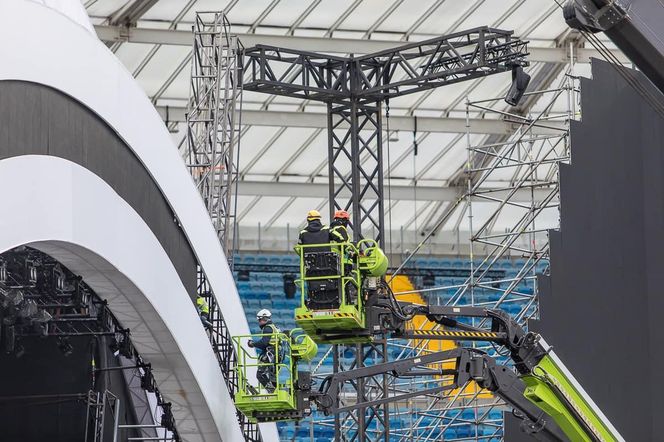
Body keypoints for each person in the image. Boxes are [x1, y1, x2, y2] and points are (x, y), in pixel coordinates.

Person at [247, 309, 281, 392]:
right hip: (277, 354)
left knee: (260, 374)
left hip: (271, 353)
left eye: (260, 320)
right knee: (272, 376)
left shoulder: (268, 328)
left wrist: (252, 344)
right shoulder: (275, 327)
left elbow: (264, 342)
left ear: (264, 319)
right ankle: (275, 391)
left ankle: (272, 391)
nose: (259, 322)